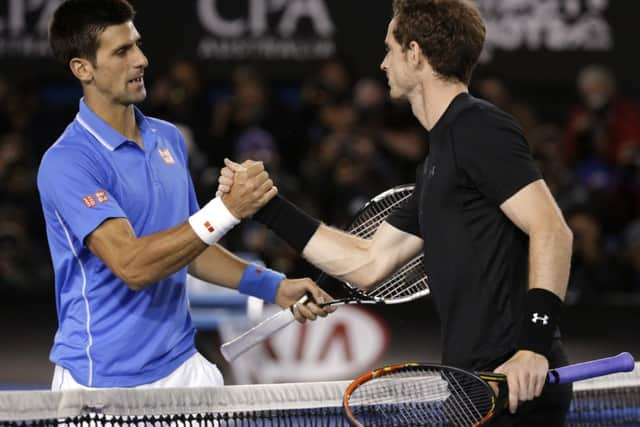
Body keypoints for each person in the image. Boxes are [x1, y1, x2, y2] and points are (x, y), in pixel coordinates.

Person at [220, 0, 573, 425]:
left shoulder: (479, 127)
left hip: (514, 384)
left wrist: (532, 348)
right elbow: (368, 263)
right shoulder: (437, 161)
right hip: (473, 385)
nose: (383, 62)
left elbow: (552, 231)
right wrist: (267, 206)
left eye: (389, 48)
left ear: (415, 53)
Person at [37, 0, 333, 391]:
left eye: (138, 45)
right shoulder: (67, 162)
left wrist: (275, 286)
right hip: (100, 384)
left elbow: (193, 245)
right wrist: (225, 211)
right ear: (82, 68)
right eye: (122, 51)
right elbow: (133, 266)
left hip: (183, 369)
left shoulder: (168, 138)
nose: (141, 59)